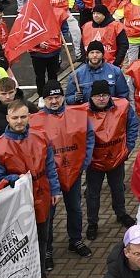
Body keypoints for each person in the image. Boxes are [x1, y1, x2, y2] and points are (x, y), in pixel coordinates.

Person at [0, 99, 64, 278]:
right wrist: (13, 178)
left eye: (23, 117)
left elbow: (50, 166)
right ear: (7, 118)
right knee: (22, 246)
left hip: (42, 198)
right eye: (15, 117)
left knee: (42, 240)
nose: (19, 121)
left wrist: (55, 189)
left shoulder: (41, 137)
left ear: (29, 116)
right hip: (17, 207)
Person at [32, 80, 95, 266]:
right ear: (44, 100)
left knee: (74, 208)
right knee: (48, 215)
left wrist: (85, 160)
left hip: (73, 172)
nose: (54, 101)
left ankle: (75, 240)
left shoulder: (78, 114)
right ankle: (47, 249)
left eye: (57, 97)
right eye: (50, 98)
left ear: (63, 97)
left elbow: (89, 136)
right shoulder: (35, 120)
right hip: (49, 178)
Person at [78, 80, 138, 240]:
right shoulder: (81, 112)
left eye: (104, 95)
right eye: (97, 96)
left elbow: (132, 125)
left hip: (116, 158)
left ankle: (121, 213)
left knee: (118, 188)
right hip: (94, 162)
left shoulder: (123, 106)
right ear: (91, 97)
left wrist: (128, 147)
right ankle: (92, 222)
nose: (102, 99)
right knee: (92, 194)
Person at [66, 41, 130, 104]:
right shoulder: (76, 75)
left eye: (98, 52)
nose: (94, 55)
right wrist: (74, 98)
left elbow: (123, 95)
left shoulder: (116, 72)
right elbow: (68, 98)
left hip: (110, 112)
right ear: (87, 55)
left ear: (103, 55)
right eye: (92, 52)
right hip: (87, 113)